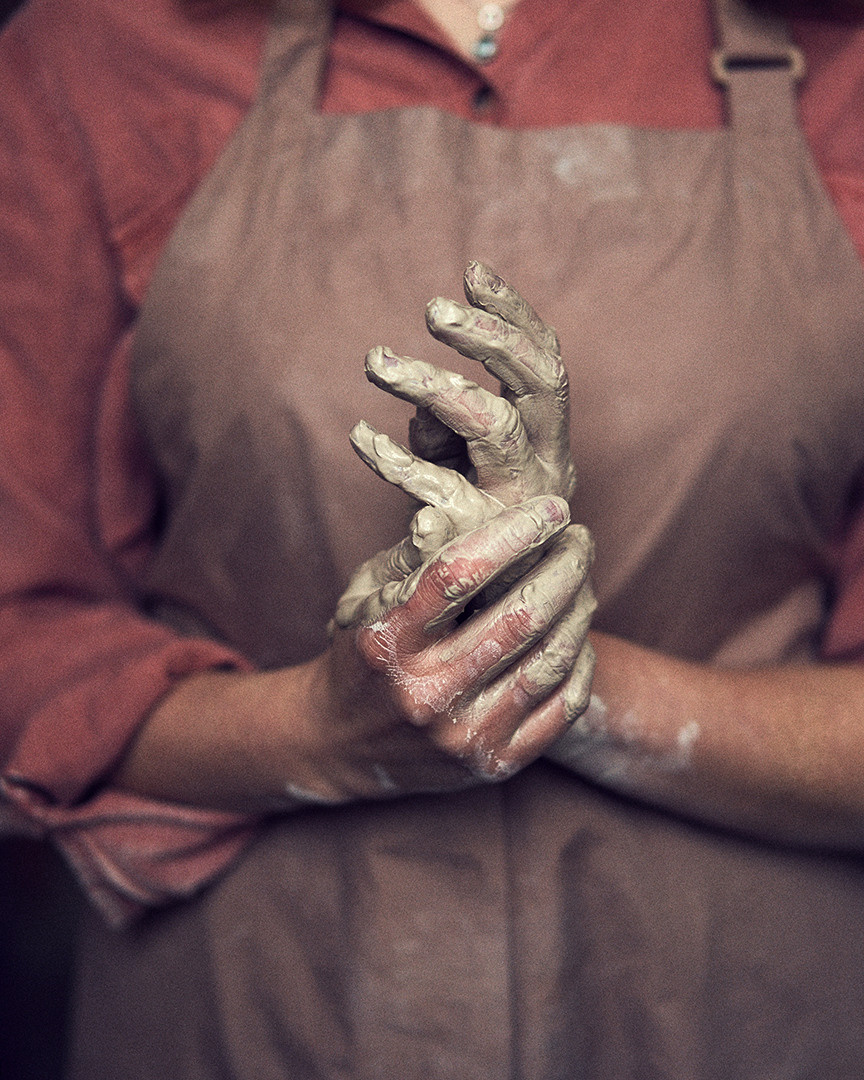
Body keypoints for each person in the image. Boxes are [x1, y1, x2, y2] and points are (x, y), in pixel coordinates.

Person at [2, 0, 864, 1075]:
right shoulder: (96, 51)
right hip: (255, 1012)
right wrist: (320, 725)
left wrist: (553, 676)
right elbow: (19, 636)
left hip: (734, 1014)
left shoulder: (842, 59)